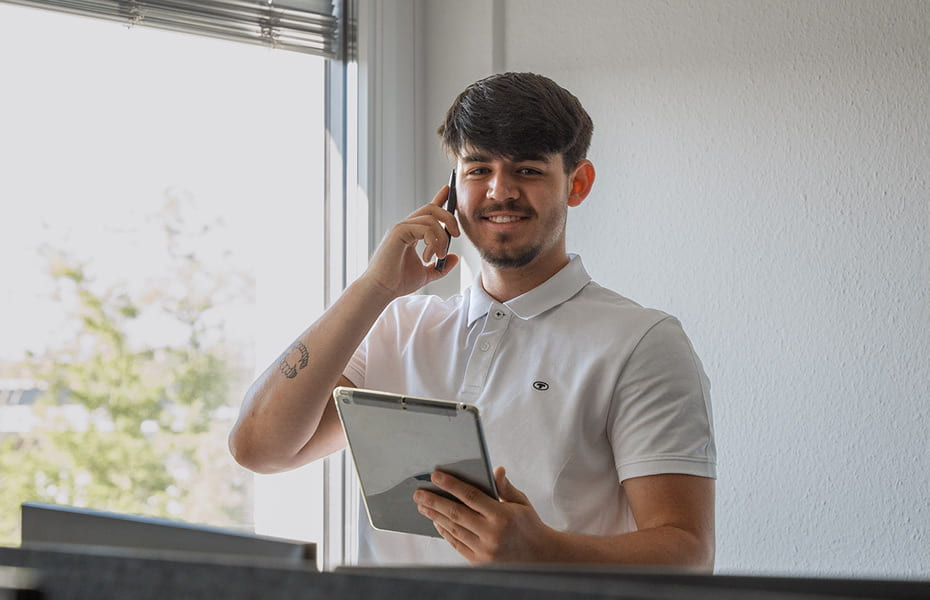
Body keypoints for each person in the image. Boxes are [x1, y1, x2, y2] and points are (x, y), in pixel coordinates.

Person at [229, 72, 716, 569]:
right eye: (478, 169)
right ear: (452, 189)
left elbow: (688, 551)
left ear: (578, 183)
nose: (499, 191)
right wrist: (373, 288)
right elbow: (259, 449)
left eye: (527, 170)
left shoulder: (641, 341)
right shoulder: (397, 325)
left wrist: (544, 550)